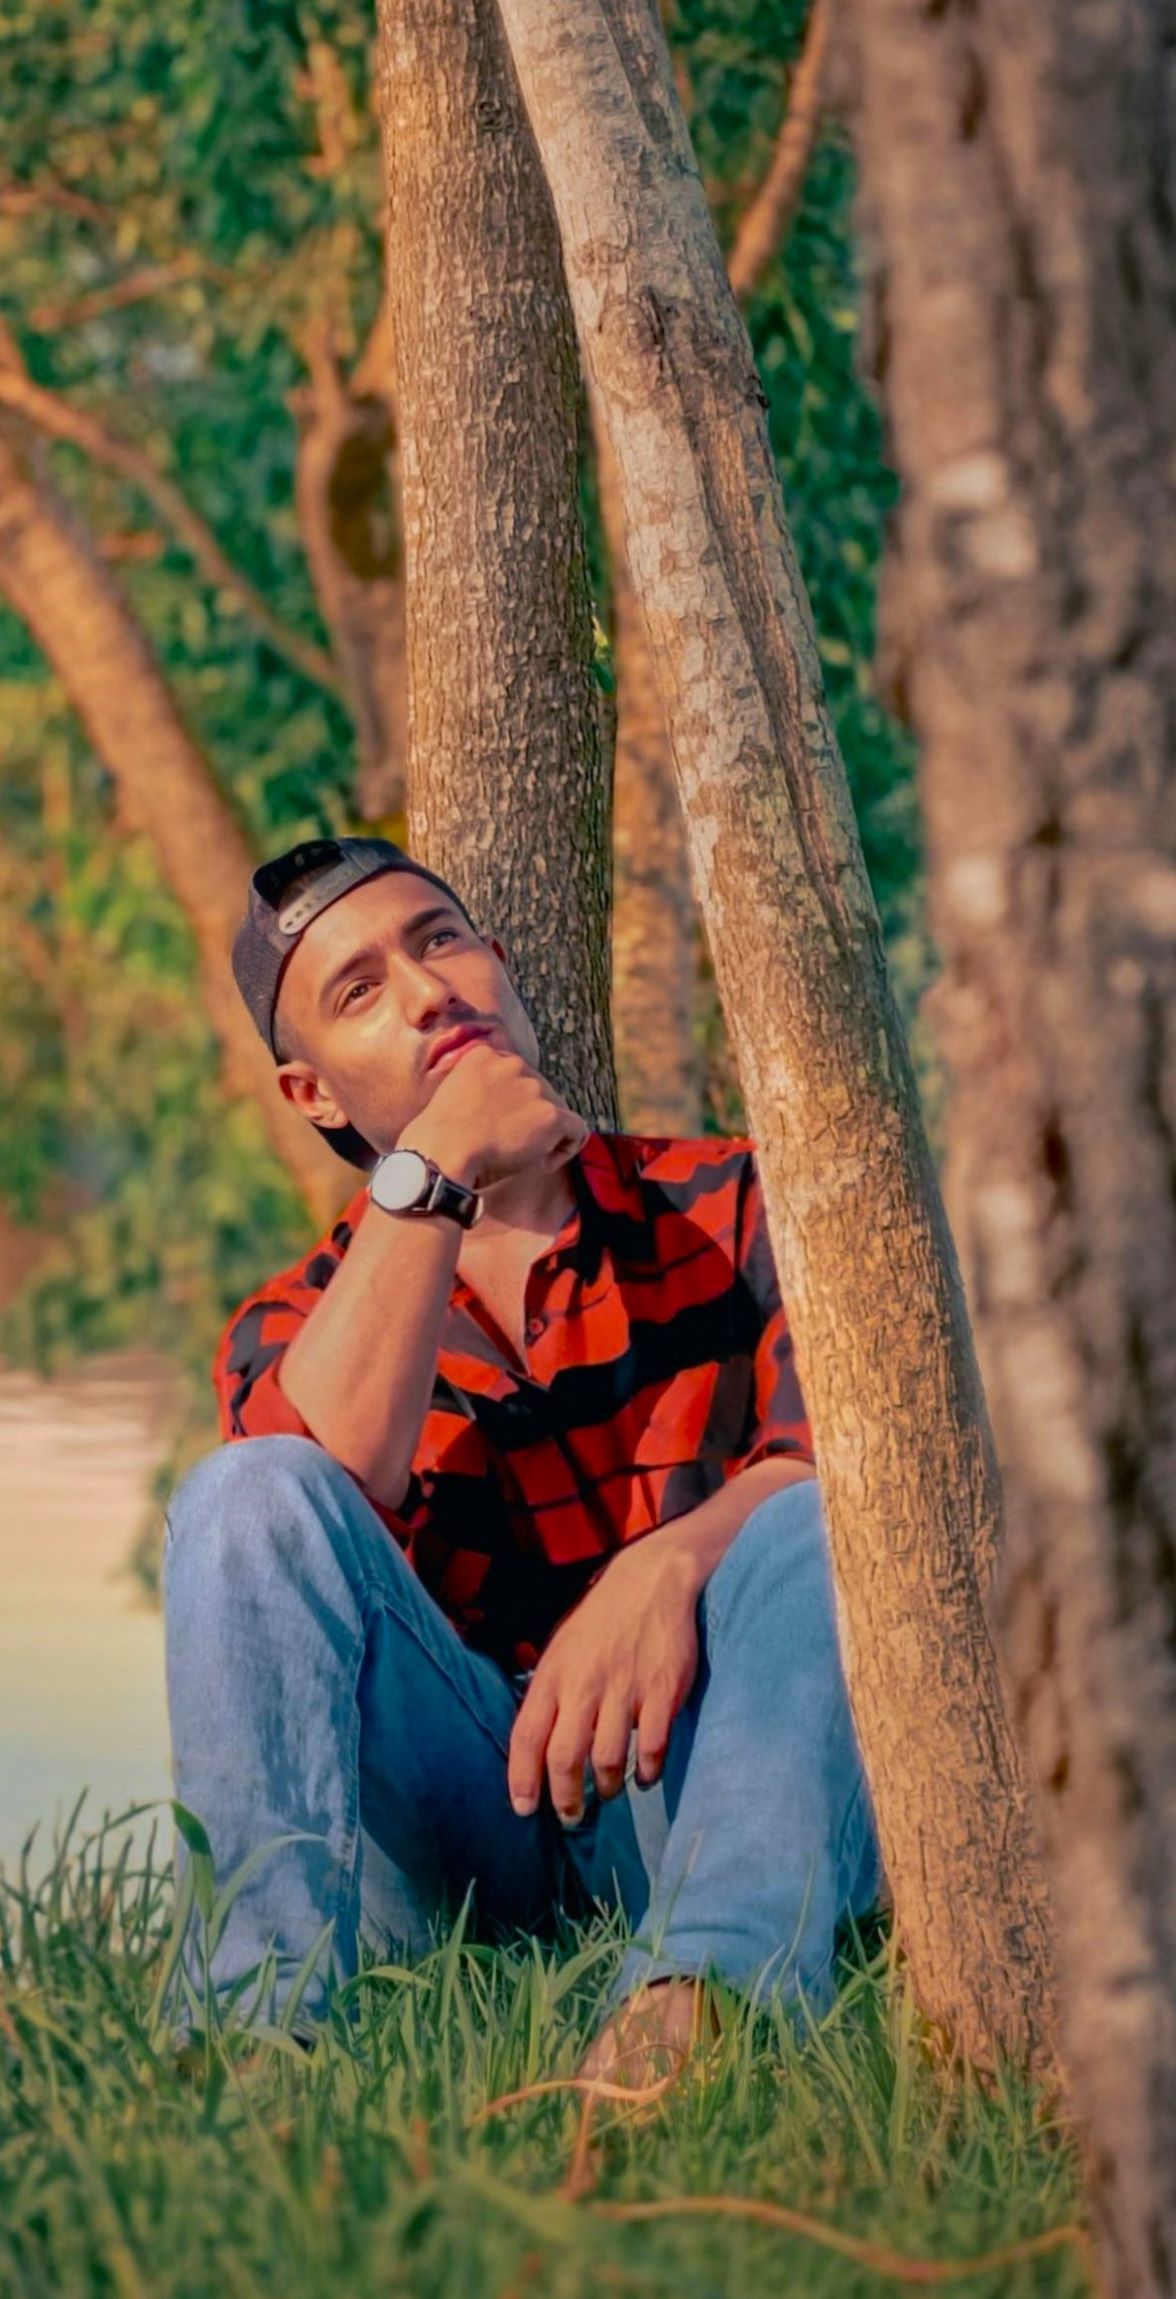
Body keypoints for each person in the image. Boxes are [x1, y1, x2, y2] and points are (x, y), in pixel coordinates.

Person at [163, 835, 885, 2076]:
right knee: (243, 1492)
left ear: (498, 964)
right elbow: (306, 1496)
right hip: (459, 1833)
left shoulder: (739, 1202)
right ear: (313, 1094)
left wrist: (666, 1567)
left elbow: (859, 1468)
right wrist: (438, 1167)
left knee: (811, 1522)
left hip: (709, 1783)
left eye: (439, 941)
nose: (425, 992)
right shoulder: (295, 1325)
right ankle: (254, 2047)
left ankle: (701, 2012)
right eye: (359, 991)